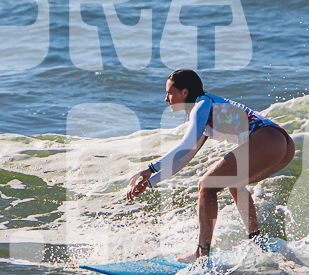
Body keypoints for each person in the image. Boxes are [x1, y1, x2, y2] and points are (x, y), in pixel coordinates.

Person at [125, 69, 296, 262]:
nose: (166, 99)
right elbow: (183, 159)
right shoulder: (205, 110)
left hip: (269, 140)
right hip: (284, 145)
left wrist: (150, 169)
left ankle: (201, 252)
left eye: (170, 93)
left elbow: (185, 146)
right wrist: (150, 182)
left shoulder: (202, 104)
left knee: (206, 184)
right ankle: (256, 241)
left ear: (184, 92)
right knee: (234, 182)